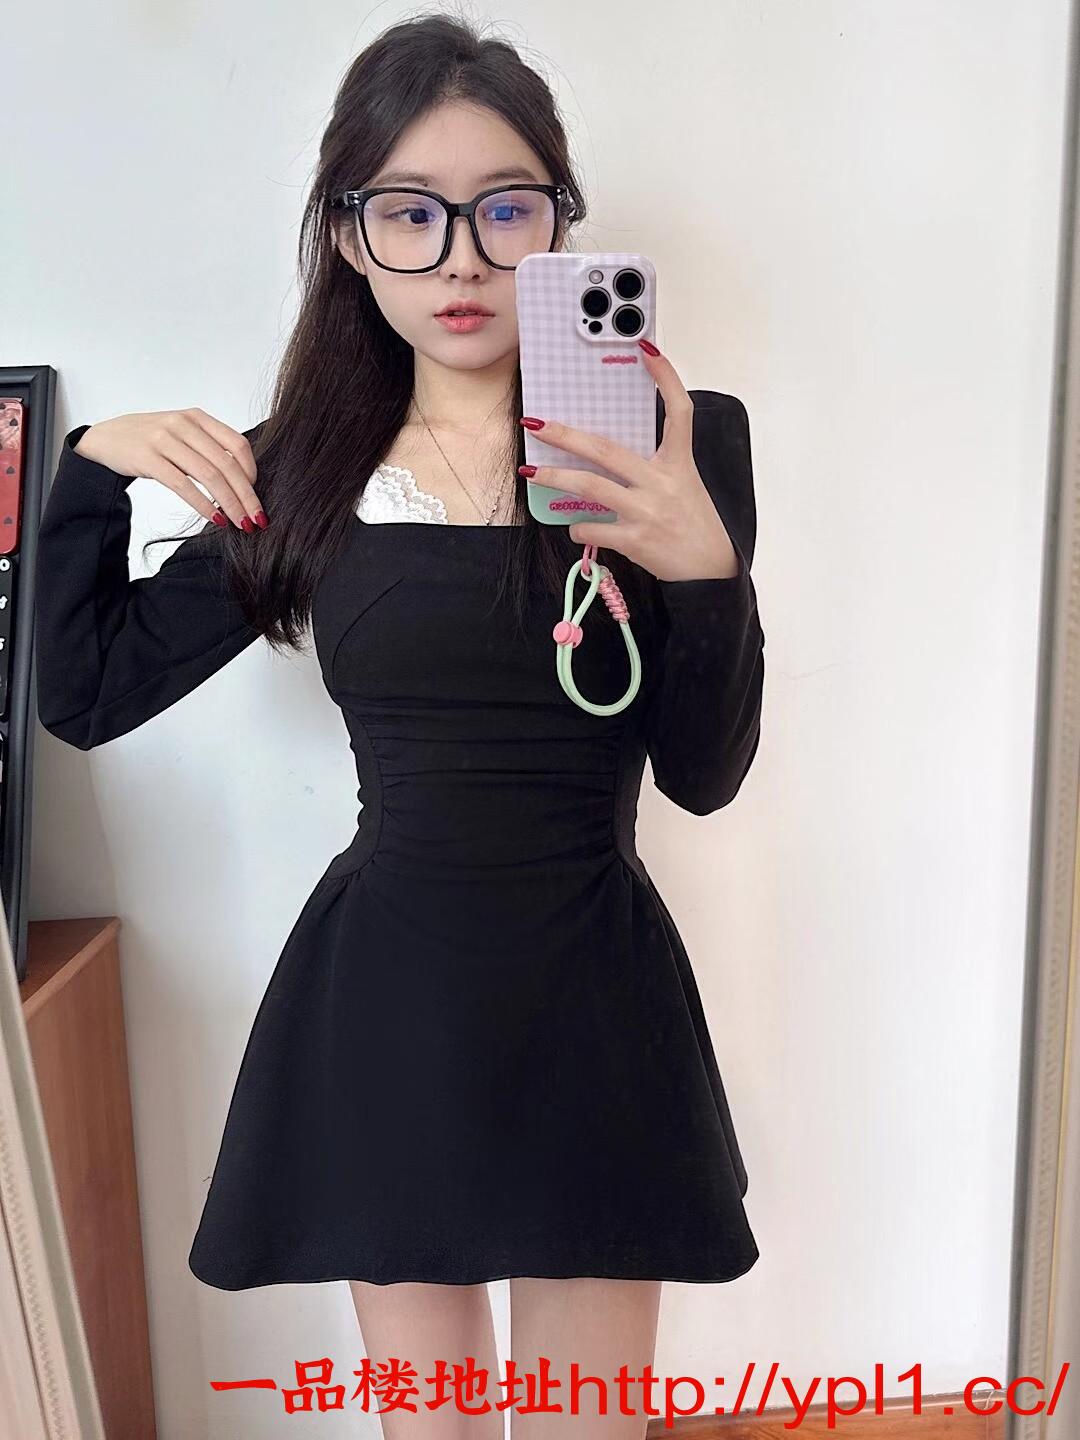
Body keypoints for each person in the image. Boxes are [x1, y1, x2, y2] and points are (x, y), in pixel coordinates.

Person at [34, 15, 766, 1438]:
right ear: (350, 238)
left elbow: (705, 772)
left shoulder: (678, 443)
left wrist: (702, 569)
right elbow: (89, 692)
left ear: (559, 223)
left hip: (593, 998)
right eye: (411, 215)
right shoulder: (302, 475)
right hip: (384, 1009)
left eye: (506, 209)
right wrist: (87, 471)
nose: (463, 261)